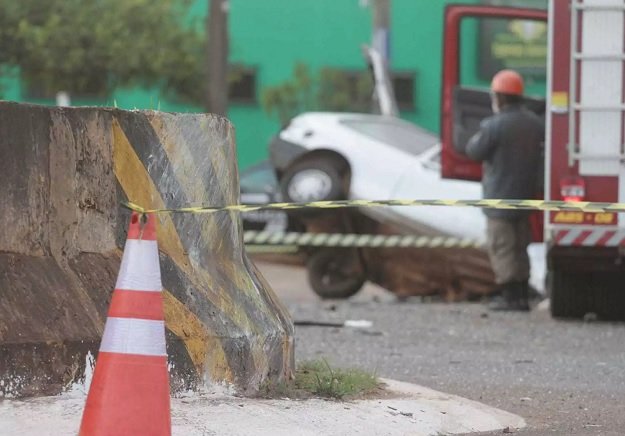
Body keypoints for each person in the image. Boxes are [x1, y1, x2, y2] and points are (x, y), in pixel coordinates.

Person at [460, 70, 543, 311]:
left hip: (499, 200)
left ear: (500, 97)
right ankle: (522, 297)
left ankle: (510, 298)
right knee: (520, 247)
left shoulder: (494, 125)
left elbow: (474, 151)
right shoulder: (535, 123)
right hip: (525, 199)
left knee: (502, 248)